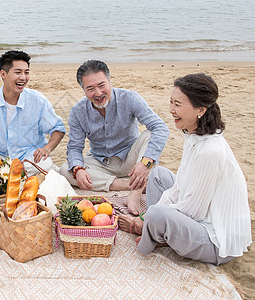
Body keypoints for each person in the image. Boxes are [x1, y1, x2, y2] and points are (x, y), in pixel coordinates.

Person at [119, 73, 252, 265]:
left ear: (200, 109)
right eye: (171, 102)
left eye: (178, 104)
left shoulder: (210, 151)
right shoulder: (194, 137)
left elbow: (193, 211)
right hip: (200, 216)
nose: (171, 110)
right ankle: (157, 233)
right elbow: (178, 189)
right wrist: (147, 217)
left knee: (158, 214)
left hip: (216, 239)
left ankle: (152, 237)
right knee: (158, 175)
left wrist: (146, 221)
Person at [60, 60, 169, 215]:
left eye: (102, 85)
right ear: (83, 89)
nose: (98, 93)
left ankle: (136, 192)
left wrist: (145, 163)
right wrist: (78, 169)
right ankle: (127, 185)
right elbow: (75, 148)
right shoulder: (78, 111)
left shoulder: (130, 98)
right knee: (66, 169)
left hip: (131, 159)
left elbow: (161, 128)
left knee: (150, 134)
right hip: (100, 161)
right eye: (90, 88)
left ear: (110, 81)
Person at [0, 50, 66, 175]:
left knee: (45, 164)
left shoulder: (38, 100)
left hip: (29, 158)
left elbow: (58, 129)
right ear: (3, 74)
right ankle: (8, 174)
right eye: (18, 72)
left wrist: (47, 148)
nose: (23, 77)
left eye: (27, 72)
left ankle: (8, 176)